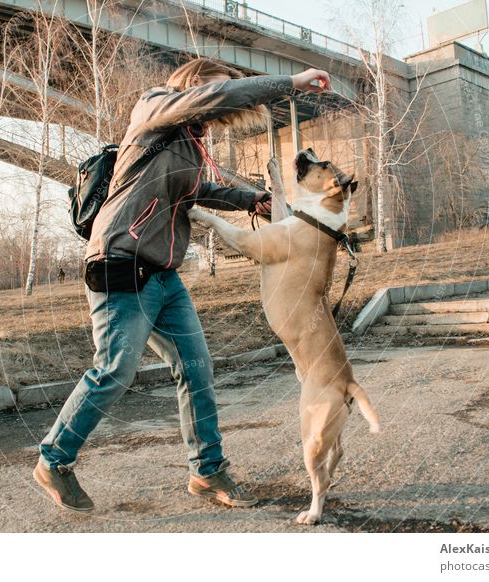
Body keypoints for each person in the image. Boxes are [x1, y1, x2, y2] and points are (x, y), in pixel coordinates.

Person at [34, 58, 331, 512]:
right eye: (216, 90)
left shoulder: (189, 145)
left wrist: (252, 198)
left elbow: (196, 192)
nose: (220, 103)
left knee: (196, 368)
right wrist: (288, 83)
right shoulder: (153, 110)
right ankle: (54, 459)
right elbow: (217, 98)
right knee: (114, 368)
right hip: (120, 261)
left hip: (162, 273)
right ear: (192, 86)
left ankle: (207, 473)